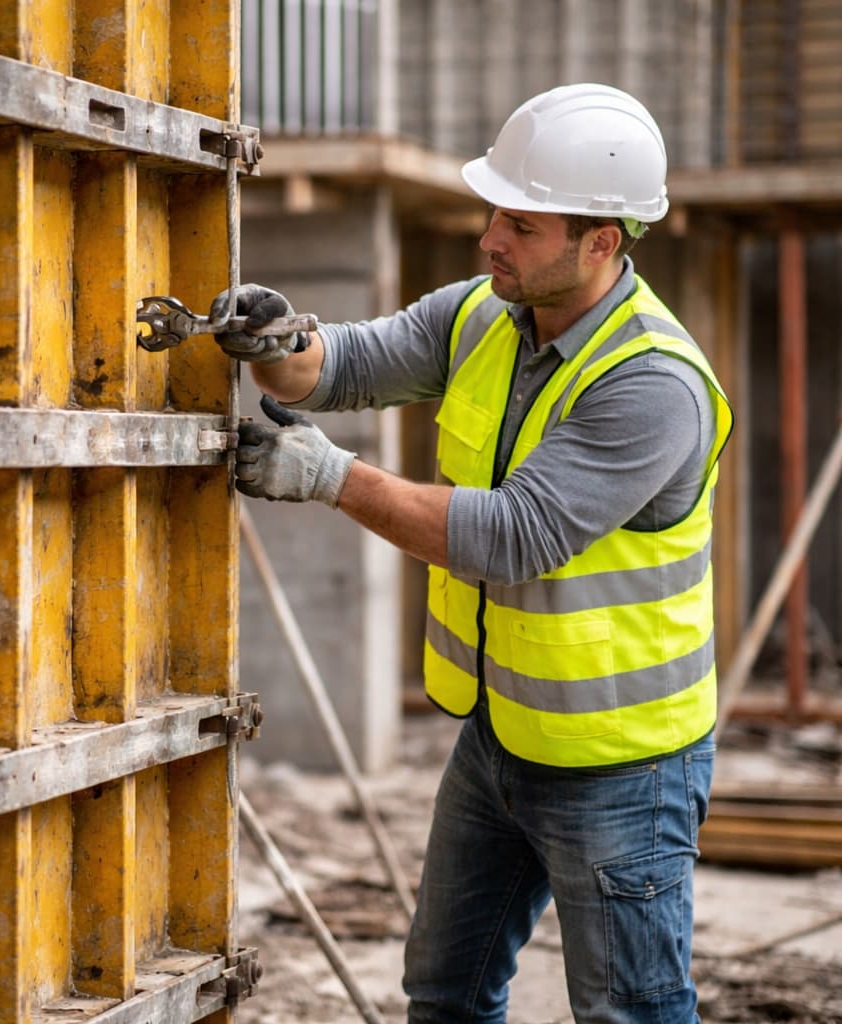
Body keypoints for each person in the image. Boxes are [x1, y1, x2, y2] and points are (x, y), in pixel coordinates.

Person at [212, 82, 734, 1024]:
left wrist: (329, 479)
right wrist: (277, 342)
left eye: (522, 224)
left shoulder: (652, 384)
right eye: (494, 209)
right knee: (445, 996)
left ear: (601, 243)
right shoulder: (485, 314)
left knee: (632, 1014)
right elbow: (354, 361)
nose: (491, 236)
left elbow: (515, 537)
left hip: (621, 764)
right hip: (500, 735)